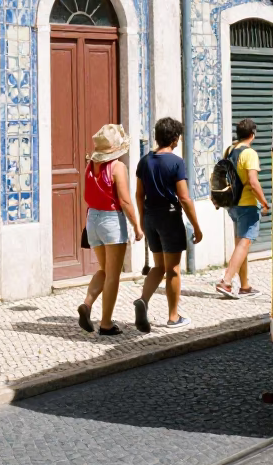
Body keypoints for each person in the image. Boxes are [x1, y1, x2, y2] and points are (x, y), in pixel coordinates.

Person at [133, 117, 202, 332]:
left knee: (158, 266)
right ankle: (173, 316)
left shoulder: (145, 161)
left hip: (150, 217)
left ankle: (143, 300)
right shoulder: (176, 162)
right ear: (174, 138)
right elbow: (184, 198)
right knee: (172, 269)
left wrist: (143, 221)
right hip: (170, 217)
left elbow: (138, 194)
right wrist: (196, 227)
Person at [77, 124, 142, 336]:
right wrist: (137, 227)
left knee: (104, 270)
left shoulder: (89, 166)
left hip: (93, 218)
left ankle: (87, 304)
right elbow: (124, 200)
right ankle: (106, 323)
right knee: (113, 275)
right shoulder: (117, 167)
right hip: (112, 220)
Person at [216, 118, 269, 299]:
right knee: (244, 243)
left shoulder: (229, 150)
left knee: (241, 244)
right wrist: (264, 202)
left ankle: (245, 286)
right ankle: (226, 282)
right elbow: (253, 183)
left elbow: (220, 175)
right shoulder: (250, 154)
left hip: (232, 205)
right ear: (253, 135)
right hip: (247, 204)